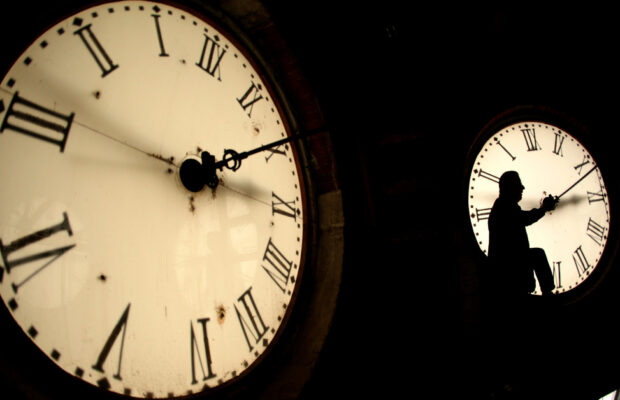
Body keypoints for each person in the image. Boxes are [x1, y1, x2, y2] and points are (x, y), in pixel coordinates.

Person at [488, 171, 558, 296]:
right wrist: (543, 208)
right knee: (538, 254)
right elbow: (525, 219)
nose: (522, 188)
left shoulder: (503, 205)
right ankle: (548, 294)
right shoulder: (505, 206)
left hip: (506, 273)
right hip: (509, 271)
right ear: (509, 187)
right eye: (518, 184)